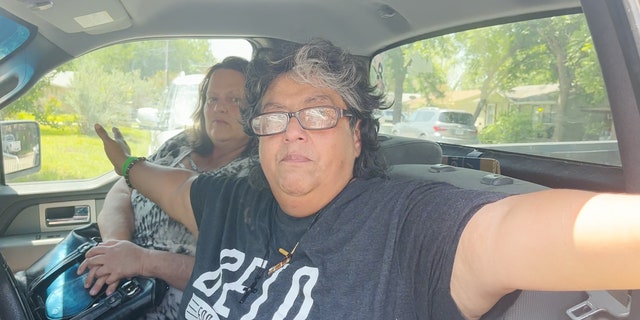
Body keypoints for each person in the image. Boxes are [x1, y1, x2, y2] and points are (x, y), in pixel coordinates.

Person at [87, 38, 640, 320]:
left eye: (319, 111)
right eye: (275, 115)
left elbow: (529, 232)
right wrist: (124, 164)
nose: (293, 130)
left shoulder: (408, 225)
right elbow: (158, 183)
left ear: (356, 137)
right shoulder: (231, 198)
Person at [78, 56, 257, 319]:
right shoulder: (182, 143)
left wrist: (142, 261)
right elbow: (123, 188)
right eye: (212, 98)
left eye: (234, 100)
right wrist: (117, 246)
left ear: (256, 108)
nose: (219, 107)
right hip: (117, 296)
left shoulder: (254, 176)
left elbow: (235, 274)